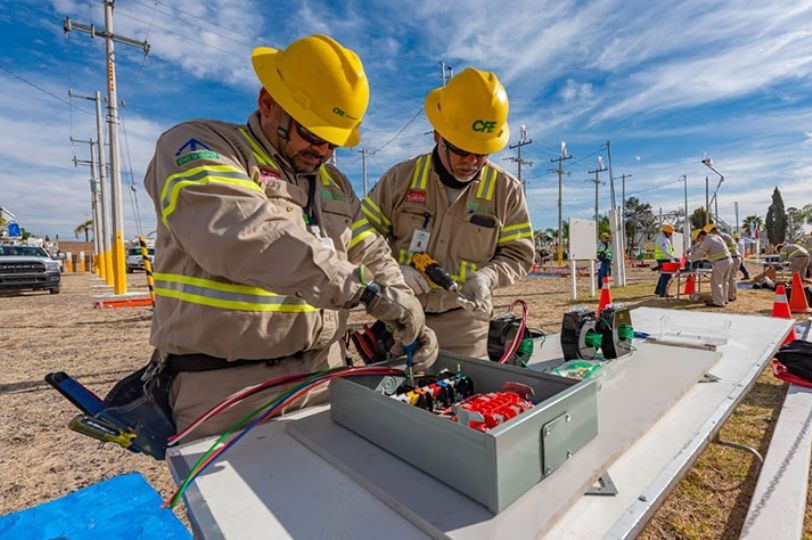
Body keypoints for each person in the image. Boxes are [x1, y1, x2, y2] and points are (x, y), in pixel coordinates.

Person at [141, 35, 438, 442]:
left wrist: (406, 308)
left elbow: (370, 249)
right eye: (313, 135)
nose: (324, 152)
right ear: (268, 103)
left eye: (334, 142)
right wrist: (365, 293)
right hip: (227, 389)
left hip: (325, 373)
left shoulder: (334, 184)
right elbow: (245, 233)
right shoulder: (202, 147)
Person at [359, 67, 535, 358]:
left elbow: (518, 254)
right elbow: (360, 235)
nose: (472, 161)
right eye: (462, 150)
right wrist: (390, 272)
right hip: (401, 315)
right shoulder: (400, 179)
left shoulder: (506, 190)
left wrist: (487, 277)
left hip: (466, 326)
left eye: (482, 152)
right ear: (438, 134)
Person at [688, 228, 732, 307]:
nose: (699, 241)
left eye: (698, 239)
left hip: (720, 262)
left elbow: (699, 254)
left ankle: (718, 302)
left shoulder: (707, 241)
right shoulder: (715, 237)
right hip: (728, 260)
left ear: (701, 235)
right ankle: (724, 300)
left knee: (716, 282)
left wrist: (689, 258)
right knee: (724, 282)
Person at [704, 223, 739, 302]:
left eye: (709, 232)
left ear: (713, 230)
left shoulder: (719, 237)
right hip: (735, 257)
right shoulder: (725, 235)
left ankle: (729, 296)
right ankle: (730, 296)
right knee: (731, 278)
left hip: (731, 257)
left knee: (729, 279)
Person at [653, 223, 679, 297]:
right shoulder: (662, 239)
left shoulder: (665, 239)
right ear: (667, 232)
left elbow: (668, 250)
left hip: (665, 259)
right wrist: (673, 258)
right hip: (663, 259)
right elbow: (665, 251)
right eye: (670, 233)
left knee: (664, 275)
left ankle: (658, 291)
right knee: (667, 275)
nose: (671, 234)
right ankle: (663, 292)